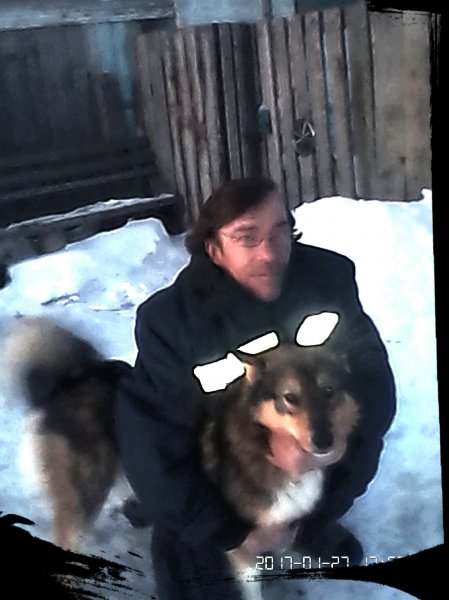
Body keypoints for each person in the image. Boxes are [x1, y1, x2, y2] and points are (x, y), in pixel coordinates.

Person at [114, 176, 396, 599]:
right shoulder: (173, 323)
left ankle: (307, 525)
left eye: (280, 231)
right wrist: (228, 533)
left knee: (348, 430)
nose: (269, 253)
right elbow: (153, 445)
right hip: (214, 483)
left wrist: (341, 441)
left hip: (309, 458)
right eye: (247, 237)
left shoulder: (328, 281)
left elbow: (373, 381)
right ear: (214, 248)